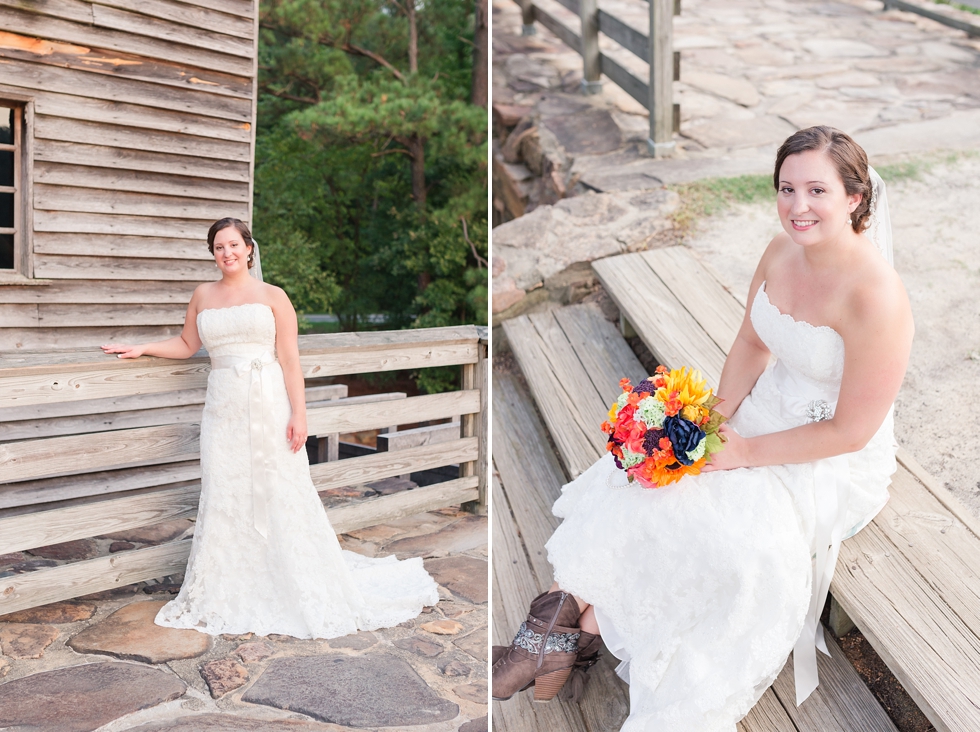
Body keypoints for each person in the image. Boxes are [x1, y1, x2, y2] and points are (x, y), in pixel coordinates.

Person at [492, 126, 914, 730]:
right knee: (648, 476)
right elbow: (750, 341)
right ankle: (558, 637)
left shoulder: (878, 298)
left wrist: (743, 452)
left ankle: (559, 638)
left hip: (826, 454)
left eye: (816, 190)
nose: (797, 206)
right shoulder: (778, 252)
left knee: (715, 527)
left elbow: (851, 432)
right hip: (761, 410)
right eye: (786, 188)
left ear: (854, 197)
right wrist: (708, 418)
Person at [102, 218, 438, 638]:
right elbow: (188, 345)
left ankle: (289, 579)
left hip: (269, 404)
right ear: (213, 254)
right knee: (225, 490)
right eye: (218, 247)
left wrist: (300, 413)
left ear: (249, 249)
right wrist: (143, 348)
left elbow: (291, 361)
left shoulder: (274, 296)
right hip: (222, 410)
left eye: (234, 245)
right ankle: (229, 586)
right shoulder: (202, 295)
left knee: (279, 488)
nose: (227, 253)